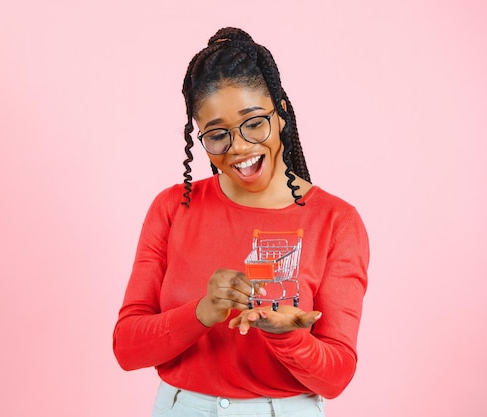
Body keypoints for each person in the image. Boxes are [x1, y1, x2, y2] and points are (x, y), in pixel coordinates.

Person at [113, 27, 369, 417]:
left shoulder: (336, 221)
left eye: (254, 123)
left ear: (281, 112)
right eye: (217, 135)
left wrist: (289, 338)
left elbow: (336, 378)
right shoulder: (173, 207)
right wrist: (202, 312)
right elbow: (127, 349)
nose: (240, 147)